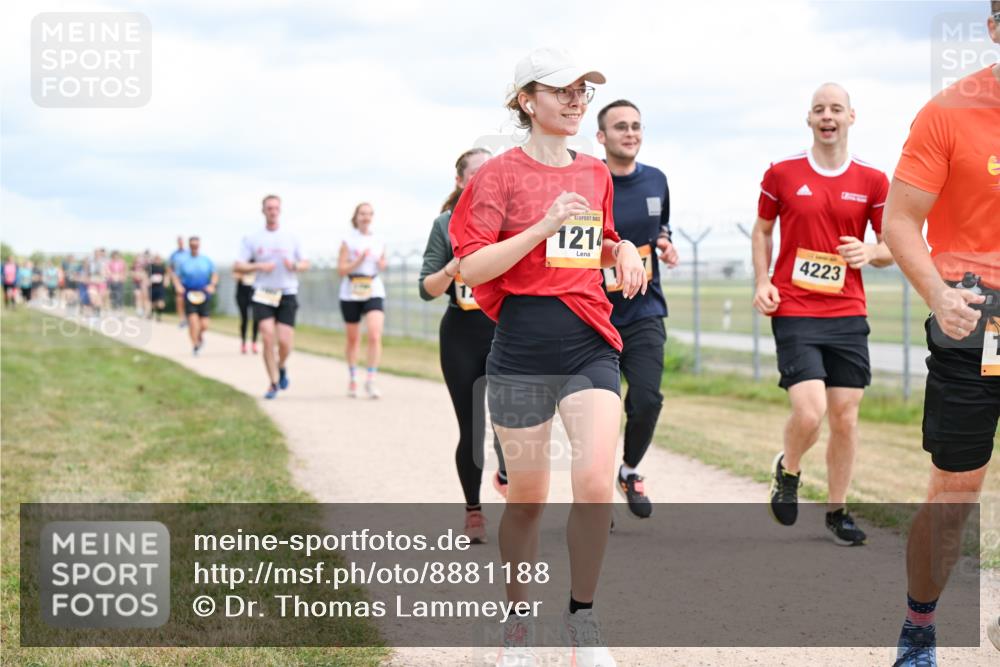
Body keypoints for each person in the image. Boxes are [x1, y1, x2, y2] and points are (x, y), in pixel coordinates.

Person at [450, 47, 647, 667]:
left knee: (593, 485)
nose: (575, 99)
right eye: (561, 89)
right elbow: (471, 265)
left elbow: (599, 240)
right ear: (525, 100)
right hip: (521, 347)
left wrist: (624, 252)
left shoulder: (594, 173)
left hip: (589, 340)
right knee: (529, 498)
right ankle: (516, 626)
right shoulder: (497, 175)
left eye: (582, 90)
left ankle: (583, 624)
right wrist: (539, 228)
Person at [882, 6, 1000, 664]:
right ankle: (919, 627)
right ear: (994, 28)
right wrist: (938, 293)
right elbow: (900, 220)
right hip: (977, 314)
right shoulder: (950, 111)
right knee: (956, 491)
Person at [751, 82, 894, 547]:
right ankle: (789, 468)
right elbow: (762, 230)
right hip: (794, 307)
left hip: (848, 310)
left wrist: (870, 251)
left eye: (836, 108)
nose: (827, 116)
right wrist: (762, 280)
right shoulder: (783, 173)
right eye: (818, 109)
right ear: (808, 119)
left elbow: (894, 245)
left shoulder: (872, 181)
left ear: (852, 116)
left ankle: (837, 511)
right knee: (810, 413)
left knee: (846, 418)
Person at [419, 147, 510, 543]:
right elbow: (427, 289)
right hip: (461, 333)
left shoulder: (513, 218)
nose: (486, 180)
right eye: (477, 174)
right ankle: (474, 511)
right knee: (471, 428)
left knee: (511, 424)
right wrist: (455, 267)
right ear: (460, 182)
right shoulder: (445, 224)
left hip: (506, 330)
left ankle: (507, 474)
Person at [595, 99, 680, 519]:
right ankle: (595, 494)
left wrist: (664, 242)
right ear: (601, 137)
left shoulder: (657, 180)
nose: (630, 133)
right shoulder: (591, 183)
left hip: (645, 311)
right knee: (601, 410)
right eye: (620, 127)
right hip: (595, 315)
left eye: (636, 126)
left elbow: (661, 224)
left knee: (646, 400)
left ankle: (629, 471)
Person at [235, 194, 308, 399]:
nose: (272, 211)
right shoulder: (253, 238)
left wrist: (293, 265)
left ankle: (281, 366)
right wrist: (258, 265)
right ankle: (273, 383)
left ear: (280, 210)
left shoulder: (292, 237)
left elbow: (305, 263)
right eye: (269, 208)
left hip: (287, 291)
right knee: (267, 336)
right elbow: (238, 265)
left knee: (285, 341)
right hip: (264, 291)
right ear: (263, 210)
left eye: (276, 208)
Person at [337, 202, 387, 398]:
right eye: (362, 214)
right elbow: (341, 269)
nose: (365, 217)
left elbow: (382, 262)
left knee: (375, 335)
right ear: (356, 217)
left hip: (373, 288)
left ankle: (371, 379)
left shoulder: (379, 240)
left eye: (369, 214)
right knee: (353, 338)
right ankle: (352, 377)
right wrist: (358, 261)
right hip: (351, 290)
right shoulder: (348, 240)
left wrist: (382, 263)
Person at [172, 236, 218, 355]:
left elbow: (214, 274)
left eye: (196, 245)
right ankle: (195, 345)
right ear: (189, 246)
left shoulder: (206, 260)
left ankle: (198, 336)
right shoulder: (184, 262)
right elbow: (176, 276)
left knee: (204, 325)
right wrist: (178, 286)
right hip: (189, 293)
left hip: (203, 293)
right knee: (193, 322)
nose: (194, 247)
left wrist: (212, 285)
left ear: (199, 245)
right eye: (192, 245)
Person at [234, 249, 259, 354]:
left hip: (255, 293)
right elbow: (235, 276)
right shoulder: (240, 262)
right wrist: (246, 271)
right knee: (244, 318)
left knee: (256, 318)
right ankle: (244, 342)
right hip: (242, 293)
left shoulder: (258, 261)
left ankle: (254, 342)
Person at [168, 236, 189, 327]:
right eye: (179, 242)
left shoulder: (189, 253)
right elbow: (170, 267)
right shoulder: (174, 254)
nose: (181, 243)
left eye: (182, 242)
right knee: (179, 298)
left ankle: (189, 317)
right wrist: (171, 278)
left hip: (188, 278)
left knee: (189, 299)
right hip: (178, 279)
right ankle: (182, 319)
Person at [132, 250, 152, 317]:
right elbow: (132, 272)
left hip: (143, 283)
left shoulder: (147, 264)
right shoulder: (134, 265)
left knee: (145, 297)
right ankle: (139, 310)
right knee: (137, 296)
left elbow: (146, 274)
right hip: (137, 282)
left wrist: (144, 279)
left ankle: (146, 311)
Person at [148, 254, 167, 320]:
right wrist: (149, 281)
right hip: (153, 286)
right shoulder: (151, 267)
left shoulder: (163, 267)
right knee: (153, 302)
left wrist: (165, 282)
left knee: (161, 303)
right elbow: (147, 275)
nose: (157, 260)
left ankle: (159, 316)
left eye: (159, 259)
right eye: (156, 259)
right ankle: (151, 314)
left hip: (160, 287)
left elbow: (166, 275)